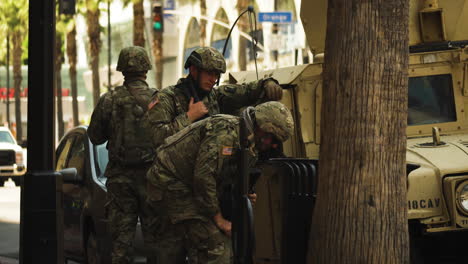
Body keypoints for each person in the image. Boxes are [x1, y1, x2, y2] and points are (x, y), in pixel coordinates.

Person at [146, 101, 294, 264]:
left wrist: (245, 195)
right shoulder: (227, 131)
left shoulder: (249, 144)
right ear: (261, 125)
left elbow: (226, 178)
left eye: (274, 141)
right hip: (170, 182)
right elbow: (204, 177)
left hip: (188, 186)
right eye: (269, 136)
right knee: (215, 248)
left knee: (184, 247)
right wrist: (219, 220)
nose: (269, 144)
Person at [88, 46, 156, 264]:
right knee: (157, 243)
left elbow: (95, 137)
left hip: (120, 181)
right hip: (153, 180)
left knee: (121, 246)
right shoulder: (159, 98)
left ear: (122, 69)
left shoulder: (109, 99)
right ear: (146, 68)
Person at [143, 46, 284, 150]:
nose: (213, 79)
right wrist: (189, 116)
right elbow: (157, 138)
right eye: (209, 73)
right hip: (176, 178)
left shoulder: (215, 95)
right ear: (193, 70)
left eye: (217, 75)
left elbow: (245, 91)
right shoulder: (166, 98)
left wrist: (267, 83)